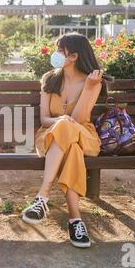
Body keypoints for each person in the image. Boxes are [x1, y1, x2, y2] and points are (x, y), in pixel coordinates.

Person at [22, 33, 113, 248]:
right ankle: (75, 220)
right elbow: (44, 119)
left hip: (84, 135)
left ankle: (42, 197)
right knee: (70, 149)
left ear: (73, 55)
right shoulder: (49, 79)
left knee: (69, 131)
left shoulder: (91, 82)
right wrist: (60, 120)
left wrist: (90, 88)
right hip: (50, 134)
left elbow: (80, 119)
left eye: (59, 50)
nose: (55, 54)